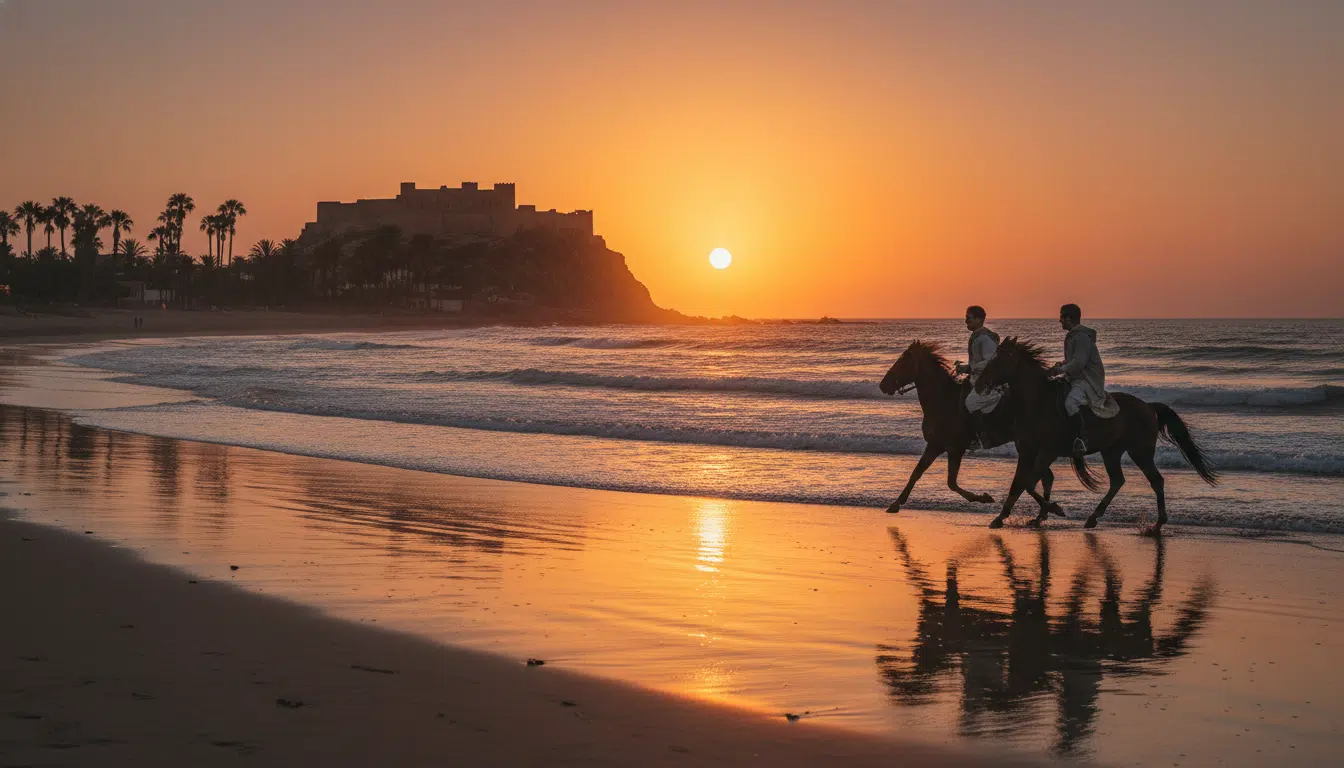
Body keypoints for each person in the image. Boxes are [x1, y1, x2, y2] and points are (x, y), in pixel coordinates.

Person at [1049, 303, 1119, 456]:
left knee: (1070, 402)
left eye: (1061, 317)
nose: (1059, 320)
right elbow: (1073, 360)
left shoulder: (1081, 337)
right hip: (1077, 377)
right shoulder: (1074, 336)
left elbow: (1079, 363)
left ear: (1068, 318)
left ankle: (1080, 439)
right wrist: (1061, 365)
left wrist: (1060, 370)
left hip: (1086, 380)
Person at [954, 305, 1000, 449]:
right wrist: (966, 368)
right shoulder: (977, 336)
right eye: (966, 318)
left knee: (970, 403)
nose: (966, 320)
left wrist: (970, 368)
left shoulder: (985, 338)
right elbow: (978, 362)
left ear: (979, 319)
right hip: (976, 378)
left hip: (987, 382)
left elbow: (991, 361)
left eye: (969, 318)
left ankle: (979, 437)